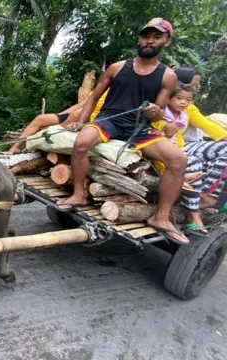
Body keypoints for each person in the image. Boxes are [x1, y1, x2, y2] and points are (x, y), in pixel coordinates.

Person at [56, 18, 191, 245]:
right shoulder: (118, 67)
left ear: (166, 41)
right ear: (139, 39)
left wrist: (153, 112)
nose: (150, 41)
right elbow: (94, 97)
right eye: (146, 36)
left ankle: (161, 217)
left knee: (179, 159)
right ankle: (79, 194)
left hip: (139, 127)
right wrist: (82, 120)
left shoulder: (168, 76)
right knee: (81, 143)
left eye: (157, 37)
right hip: (109, 120)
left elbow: (159, 113)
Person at [152, 67, 227, 236]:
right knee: (190, 161)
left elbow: (210, 128)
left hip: (181, 145)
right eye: (191, 84)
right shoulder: (160, 105)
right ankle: (194, 212)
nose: (184, 101)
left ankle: (207, 196)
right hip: (165, 145)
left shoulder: (187, 110)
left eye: (190, 96)